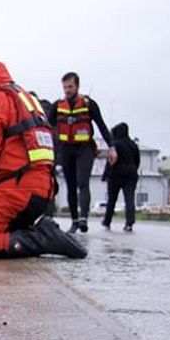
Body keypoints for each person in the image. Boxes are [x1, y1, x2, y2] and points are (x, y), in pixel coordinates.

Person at [0, 57, 87, 259]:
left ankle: (42, 239)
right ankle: (42, 233)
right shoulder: (24, 97)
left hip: (16, 193)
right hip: (40, 192)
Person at [51, 72, 116, 234]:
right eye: (65, 87)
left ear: (77, 86)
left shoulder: (88, 104)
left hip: (84, 148)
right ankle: (74, 221)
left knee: (82, 182)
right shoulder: (57, 106)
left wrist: (112, 147)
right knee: (71, 186)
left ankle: (83, 219)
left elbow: (101, 125)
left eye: (70, 87)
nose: (67, 90)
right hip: (65, 149)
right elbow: (46, 126)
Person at [100, 122, 140, 231]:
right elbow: (137, 161)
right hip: (131, 175)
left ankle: (107, 221)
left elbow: (111, 160)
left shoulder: (115, 144)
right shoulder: (133, 145)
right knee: (129, 199)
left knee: (112, 199)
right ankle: (129, 223)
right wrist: (133, 170)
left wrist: (105, 174)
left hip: (115, 174)